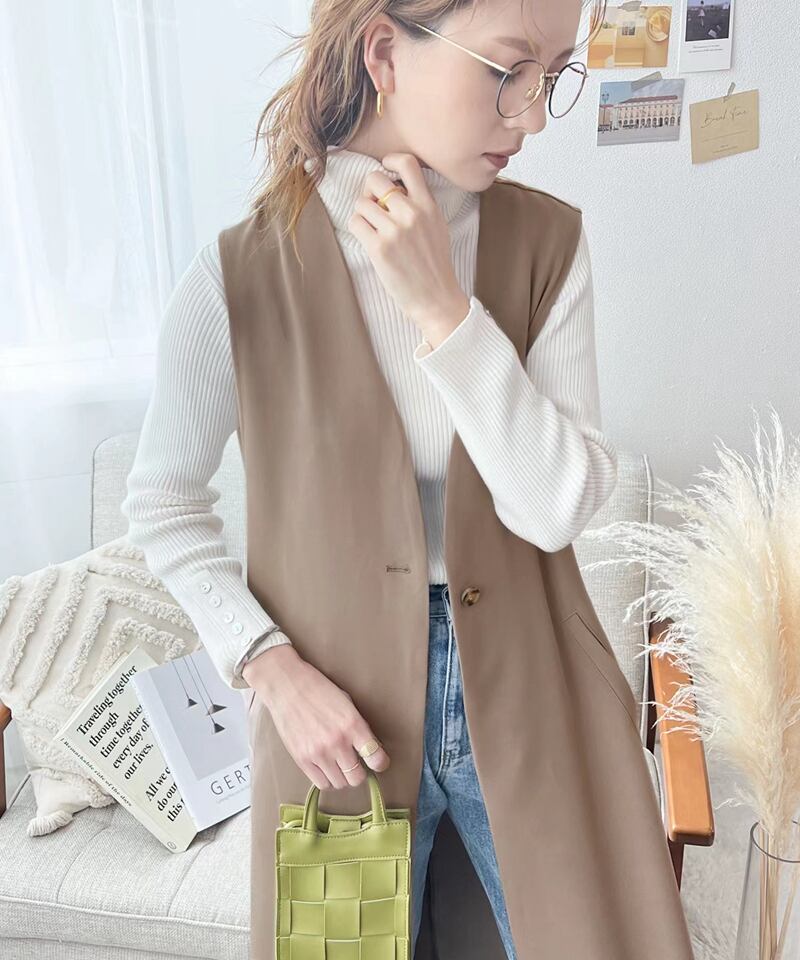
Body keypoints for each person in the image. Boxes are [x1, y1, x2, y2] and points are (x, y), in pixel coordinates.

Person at [122, 2, 615, 957]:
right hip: (340, 729)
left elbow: (557, 506)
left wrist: (445, 311)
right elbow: (164, 504)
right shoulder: (240, 273)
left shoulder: (547, 246)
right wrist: (270, 670)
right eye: (509, 70)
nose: (534, 116)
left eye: (554, 76)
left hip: (529, 693)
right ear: (385, 53)